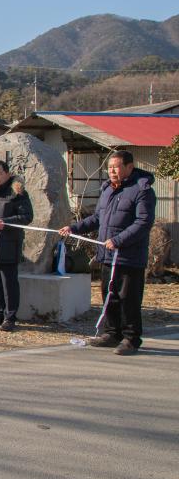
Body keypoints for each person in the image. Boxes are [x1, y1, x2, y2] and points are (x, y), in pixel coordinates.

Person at [60, 151, 155, 355]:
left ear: (129, 167)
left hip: (129, 257)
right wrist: (74, 228)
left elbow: (143, 223)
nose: (112, 171)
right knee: (109, 295)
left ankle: (131, 338)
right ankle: (112, 333)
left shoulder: (142, 189)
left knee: (128, 298)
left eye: (116, 166)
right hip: (107, 255)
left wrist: (119, 241)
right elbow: (97, 218)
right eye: (109, 167)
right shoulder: (107, 189)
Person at [0, 160, 34, 331]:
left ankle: (10, 317)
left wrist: (7, 222)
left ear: (7, 174)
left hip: (8, 245)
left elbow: (27, 216)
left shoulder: (17, 193)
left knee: (9, 283)